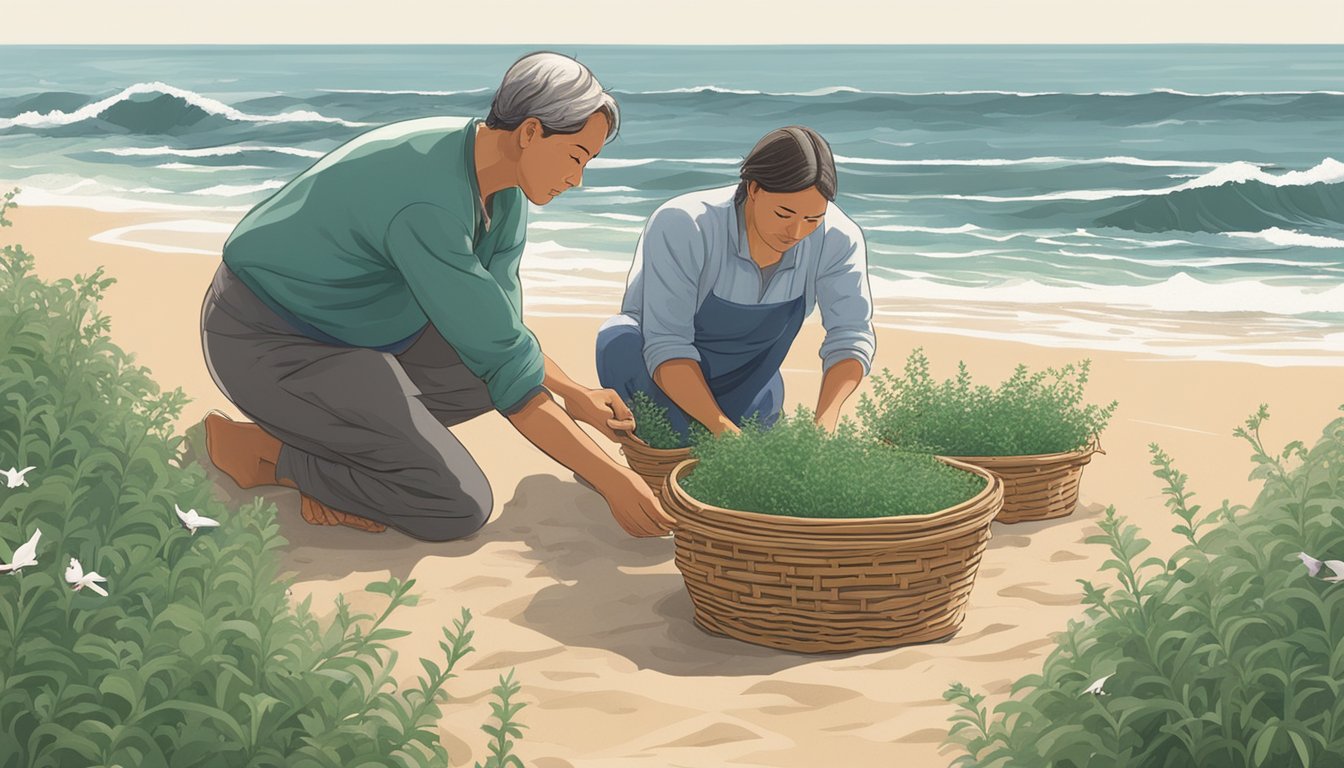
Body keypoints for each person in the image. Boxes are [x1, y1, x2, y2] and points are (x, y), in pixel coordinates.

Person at [198, 51, 675, 540]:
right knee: (457, 504)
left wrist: (576, 395)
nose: (577, 180)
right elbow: (504, 365)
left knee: (488, 377)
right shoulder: (427, 198)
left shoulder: (504, 188)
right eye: (576, 157)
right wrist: (614, 480)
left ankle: (346, 443)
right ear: (531, 132)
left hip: (368, 334)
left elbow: (502, 337)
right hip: (269, 338)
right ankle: (264, 454)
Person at [596, 125, 875, 441]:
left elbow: (850, 336)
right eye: (784, 214)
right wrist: (723, 431)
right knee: (619, 342)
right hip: (657, 372)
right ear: (754, 189)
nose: (796, 233)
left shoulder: (838, 237)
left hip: (749, 383)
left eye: (813, 219)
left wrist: (824, 428)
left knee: (764, 426)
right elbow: (667, 343)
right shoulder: (686, 224)